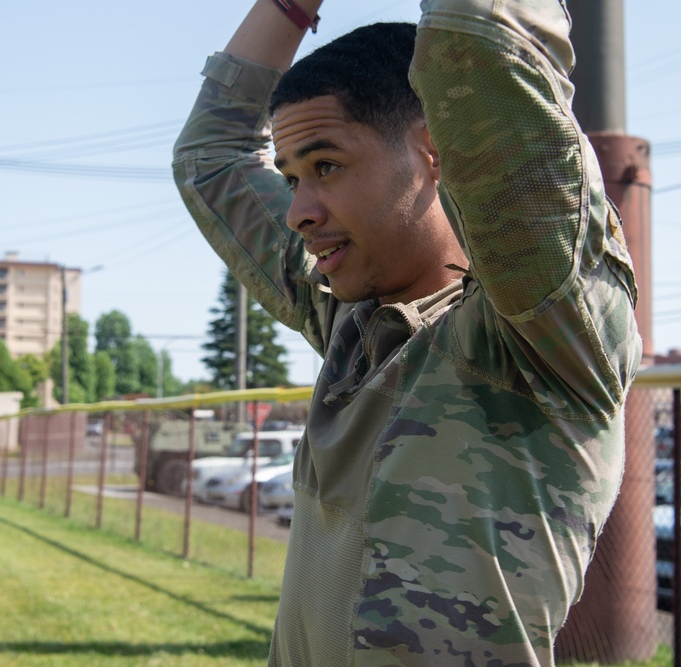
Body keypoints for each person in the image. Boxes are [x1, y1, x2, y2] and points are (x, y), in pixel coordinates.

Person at [173, 1, 643, 664]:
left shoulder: (545, 331)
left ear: (435, 149)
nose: (300, 211)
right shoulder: (350, 321)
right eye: (291, 178)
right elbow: (211, 157)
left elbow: (480, 50)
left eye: (326, 166)